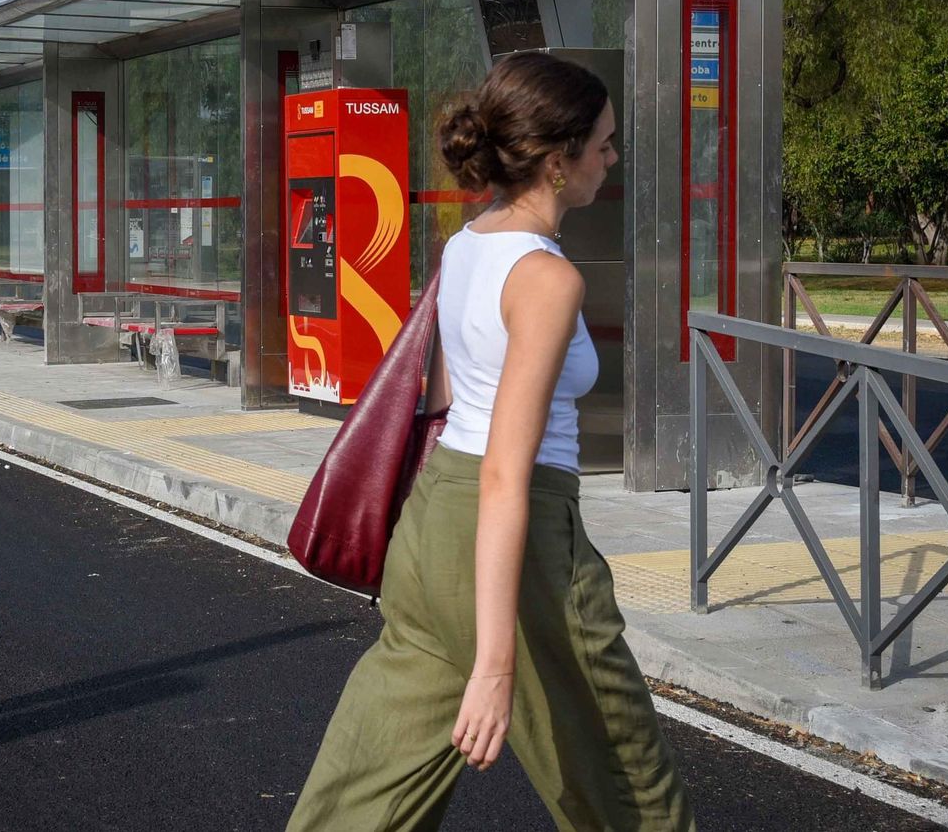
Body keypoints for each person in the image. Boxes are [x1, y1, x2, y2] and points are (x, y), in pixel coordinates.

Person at [287, 52, 694, 831]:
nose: (612, 159)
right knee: (628, 786)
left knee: (370, 780)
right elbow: (509, 474)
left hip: (434, 520)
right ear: (556, 159)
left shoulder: (469, 243)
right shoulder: (547, 278)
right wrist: (496, 665)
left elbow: (442, 396)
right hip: (523, 539)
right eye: (603, 144)